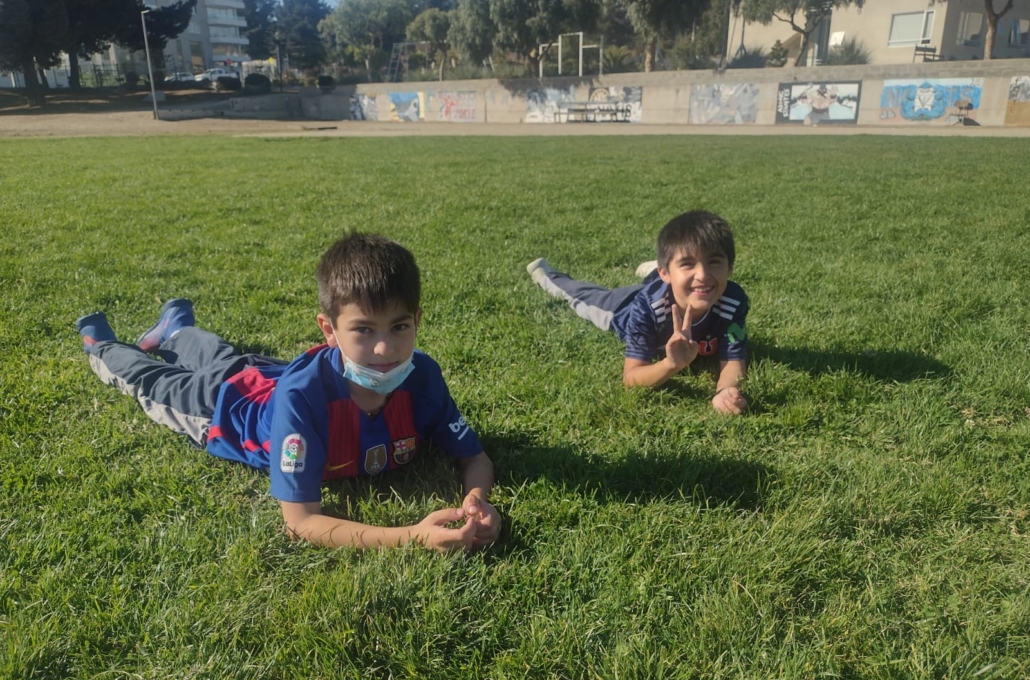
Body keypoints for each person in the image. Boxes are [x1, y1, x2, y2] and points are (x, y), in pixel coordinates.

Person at [75, 232, 501, 552]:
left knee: (226, 357)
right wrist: (412, 536)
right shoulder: (306, 396)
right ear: (328, 330)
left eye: (399, 326)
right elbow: (301, 522)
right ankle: (105, 347)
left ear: (417, 320)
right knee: (156, 383)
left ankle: (177, 330)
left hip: (268, 376)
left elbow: (474, 457)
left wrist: (476, 501)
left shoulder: (422, 376)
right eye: (364, 330)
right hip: (225, 408)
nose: (385, 348)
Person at [527, 210, 749, 415]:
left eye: (714, 262)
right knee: (583, 297)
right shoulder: (646, 308)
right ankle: (549, 277)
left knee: (683, 283)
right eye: (688, 263)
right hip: (622, 308)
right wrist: (670, 365)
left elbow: (733, 361)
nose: (702, 274)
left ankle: (663, 268)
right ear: (667, 273)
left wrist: (725, 392)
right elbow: (631, 378)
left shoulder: (732, 300)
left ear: (729, 267)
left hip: (668, 284)